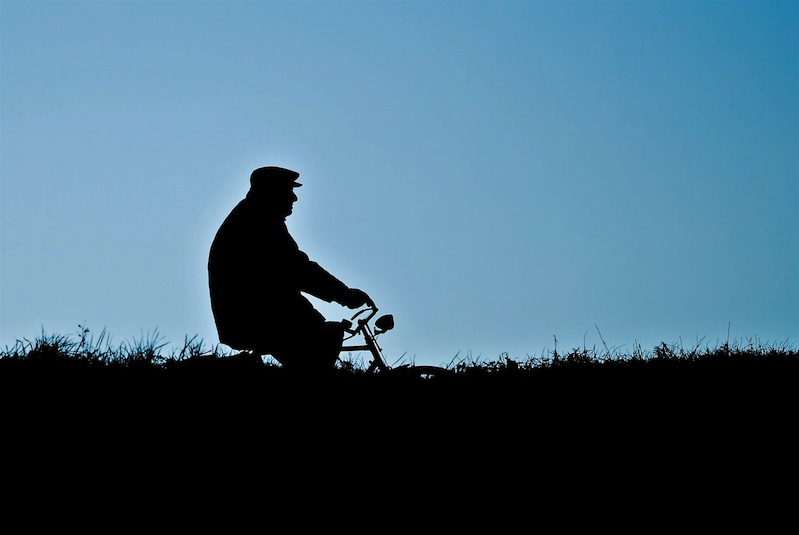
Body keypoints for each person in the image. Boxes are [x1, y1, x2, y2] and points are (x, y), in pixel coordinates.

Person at [208, 166, 374, 372]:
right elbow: (296, 268)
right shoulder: (259, 221)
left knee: (318, 341)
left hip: (255, 312)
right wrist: (344, 294)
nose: (294, 198)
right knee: (320, 344)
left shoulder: (253, 216)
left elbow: (294, 268)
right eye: (289, 191)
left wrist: (342, 294)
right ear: (272, 192)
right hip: (261, 314)